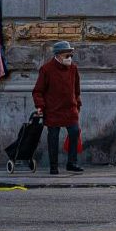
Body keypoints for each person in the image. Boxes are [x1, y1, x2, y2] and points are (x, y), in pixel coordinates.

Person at [31, 40, 83, 174]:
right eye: (67, 55)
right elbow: (38, 91)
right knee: (53, 137)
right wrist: (40, 106)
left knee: (74, 132)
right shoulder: (46, 69)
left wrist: (77, 104)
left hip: (70, 109)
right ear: (58, 55)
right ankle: (53, 166)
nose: (70, 58)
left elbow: (76, 90)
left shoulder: (73, 68)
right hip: (53, 109)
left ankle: (72, 162)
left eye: (71, 55)